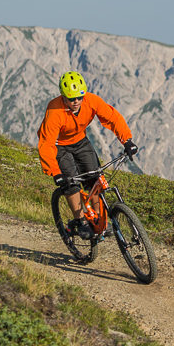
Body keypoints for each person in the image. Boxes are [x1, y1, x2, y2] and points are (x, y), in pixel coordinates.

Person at [37, 71, 139, 239]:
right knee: (71, 183)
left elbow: (112, 118)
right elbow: (46, 143)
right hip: (60, 146)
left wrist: (127, 141)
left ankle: (99, 222)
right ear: (63, 97)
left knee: (95, 179)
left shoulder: (91, 101)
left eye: (79, 97)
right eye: (71, 98)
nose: (76, 101)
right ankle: (80, 221)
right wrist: (55, 172)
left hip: (81, 141)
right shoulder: (54, 110)